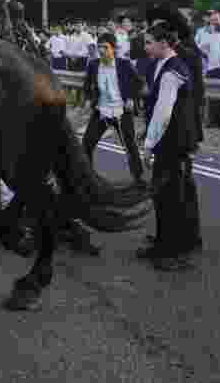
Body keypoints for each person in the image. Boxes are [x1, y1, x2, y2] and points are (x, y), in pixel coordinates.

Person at [139, 24, 202, 270]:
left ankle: (175, 252)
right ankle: (169, 243)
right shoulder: (164, 66)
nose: (145, 46)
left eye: (149, 42)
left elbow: (164, 113)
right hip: (174, 140)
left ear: (164, 43)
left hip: (173, 142)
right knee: (171, 194)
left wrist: (148, 145)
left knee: (171, 196)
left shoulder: (170, 71)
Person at [82, 32, 146, 186]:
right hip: (101, 111)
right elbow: (87, 85)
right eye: (99, 47)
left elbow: (139, 83)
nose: (102, 50)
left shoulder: (124, 64)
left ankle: (139, 179)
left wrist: (131, 97)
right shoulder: (93, 65)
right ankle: (87, 178)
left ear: (114, 49)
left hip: (121, 111)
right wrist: (88, 99)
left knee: (130, 146)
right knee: (87, 144)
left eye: (105, 47)